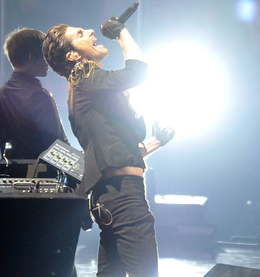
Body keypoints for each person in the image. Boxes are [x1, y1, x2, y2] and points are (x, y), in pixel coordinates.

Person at [42, 14, 175, 277]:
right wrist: (121, 32)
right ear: (72, 56)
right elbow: (138, 71)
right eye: (80, 34)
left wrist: (156, 141)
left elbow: (113, 154)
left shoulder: (90, 89)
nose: (91, 31)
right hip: (123, 197)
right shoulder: (83, 75)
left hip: (113, 196)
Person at [0, 28, 72, 159]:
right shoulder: (40, 96)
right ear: (31, 58)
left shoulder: (3, 93)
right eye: (45, 55)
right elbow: (58, 145)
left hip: (14, 173)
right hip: (45, 174)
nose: (49, 61)